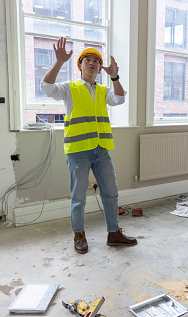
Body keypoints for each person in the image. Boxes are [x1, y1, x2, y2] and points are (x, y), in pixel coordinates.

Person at [41, 37, 137, 254]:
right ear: (79, 65)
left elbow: (120, 99)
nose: (92, 63)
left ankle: (114, 233)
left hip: (101, 150)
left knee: (111, 192)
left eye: (96, 60)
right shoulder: (69, 88)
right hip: (78, 152)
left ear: (99, 68)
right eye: (87, 60)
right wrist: (58, 63)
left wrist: (115, 77)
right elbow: (46, 88)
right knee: (79, 197)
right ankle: (79, 235)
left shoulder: (103, 91)